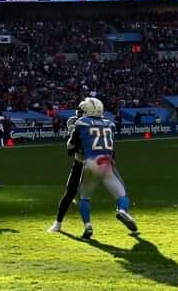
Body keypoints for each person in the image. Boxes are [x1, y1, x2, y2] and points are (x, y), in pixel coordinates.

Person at [49, 95, 138, 239]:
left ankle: (85, 225)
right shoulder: (108, 124)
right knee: (72, 193)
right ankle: (58, 223)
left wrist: (75, 139)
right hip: (98, 162)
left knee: (81, 195)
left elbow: (70, 149)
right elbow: (110, 148)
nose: (79, 113)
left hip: (86, 163)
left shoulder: (80, 124)